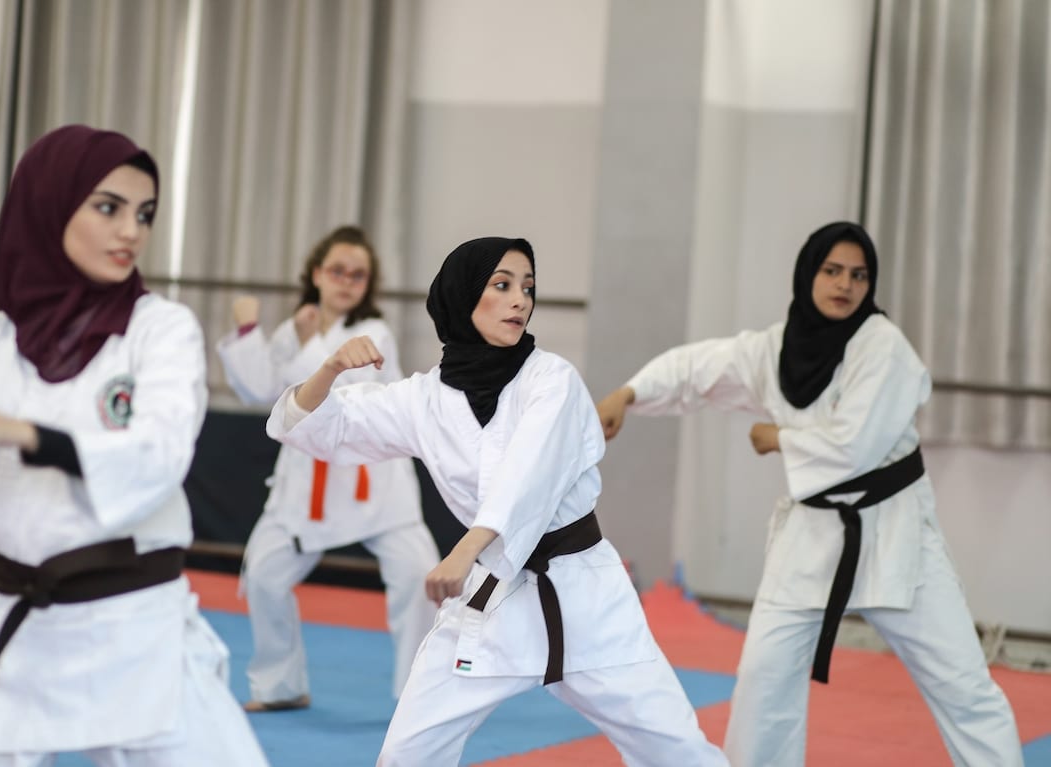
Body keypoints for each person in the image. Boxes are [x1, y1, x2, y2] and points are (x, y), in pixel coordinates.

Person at [0, 125, 269, 766]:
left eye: (143, 214)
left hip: (135, 623)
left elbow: (161, 456)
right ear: (49, 203)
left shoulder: (160, 330)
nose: (131, 232)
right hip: (10, 625)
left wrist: (28, 435)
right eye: (108, 207)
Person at [266, 236, 728, 767]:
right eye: (501, 285)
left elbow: (530, 475)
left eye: (527, 288)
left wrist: (468, 548)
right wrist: (328, 370)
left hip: (583, 594)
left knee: (676, 749)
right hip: (494, 596)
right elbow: (321, 428)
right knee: (408, 751)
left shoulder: (552, 380)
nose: (520, 301)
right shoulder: (424, 399)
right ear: (461, 296)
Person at [596, 221, 1023, 766]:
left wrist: (780, 437)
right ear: (808, 274)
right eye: (832, 271)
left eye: (859, 274)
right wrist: (629, 393)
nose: (845, 284)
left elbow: (856, 446)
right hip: (812, 535)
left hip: (895, 534)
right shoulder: (777, 347)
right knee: (763, 682)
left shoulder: (883, 347)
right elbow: (698, 367)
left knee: (962, 684)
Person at [216, 225, 438, 710]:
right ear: (317, 273)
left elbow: (342, 386)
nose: (346, 281)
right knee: (265, 576)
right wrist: (251, 333)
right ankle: (280, 685)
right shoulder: (293, 332)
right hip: (306, 481)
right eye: (337, 270)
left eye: (358, 274)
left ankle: (417, 699)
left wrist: (307, 342)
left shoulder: (374, 331)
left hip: (373, 481)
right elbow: (261, 392)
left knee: (418, 577)